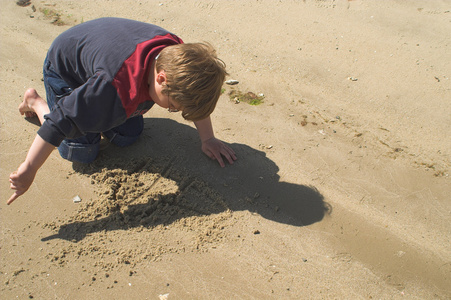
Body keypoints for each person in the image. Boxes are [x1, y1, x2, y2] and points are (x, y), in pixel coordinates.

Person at [8, 17, 237, 205]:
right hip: (66, 71)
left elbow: (192, 94)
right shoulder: (111, 86)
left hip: (106, 57)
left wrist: (208, 138)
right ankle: (35, 101)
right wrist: (29, 169)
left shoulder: (178, 58)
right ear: (161, 78)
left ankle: (95, 112)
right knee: (82, 153)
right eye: (174, 108)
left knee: (128, 136)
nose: (173, 111)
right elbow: (58, 122)